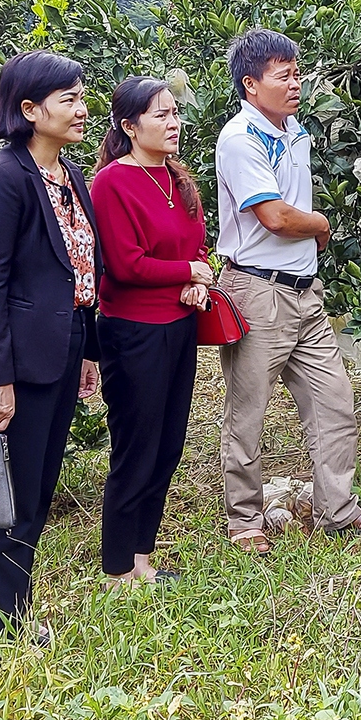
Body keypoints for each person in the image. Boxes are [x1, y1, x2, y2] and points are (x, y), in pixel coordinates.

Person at [213, 28, 361, 554]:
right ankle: (245, 520)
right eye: (284, 76)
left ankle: (338, 509)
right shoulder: (240, 139)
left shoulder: (293, 130)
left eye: (297, 73)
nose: (297, 83)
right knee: (248, 413)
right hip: (257, 292)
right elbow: (273, 216)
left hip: (304, 292)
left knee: (335, 403)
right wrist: (319, 223)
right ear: (251, 85)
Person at [0, 51, 101, 642]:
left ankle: (14, 616)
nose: (82, 109)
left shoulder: (70, 177)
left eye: (80, 95)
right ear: (28, 110)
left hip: (63, 347)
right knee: (8, 492)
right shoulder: (1, 182)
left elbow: (80, 274)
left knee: (37, 486)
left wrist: (88, 349)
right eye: (67, 99)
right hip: (17, 359)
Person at [89, 76, 211, 585]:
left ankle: (143, 558)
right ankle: (118, 566)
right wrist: (186, 273)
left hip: (180, 326)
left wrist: (198, 283)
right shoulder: (113, 182)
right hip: (134, 330)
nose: (173, 122)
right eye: (160, 115)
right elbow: (124, 264)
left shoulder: (178, 180)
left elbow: (198, 249)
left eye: (175, 113)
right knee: (136, 446)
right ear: (129, 125)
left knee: (168, 445)